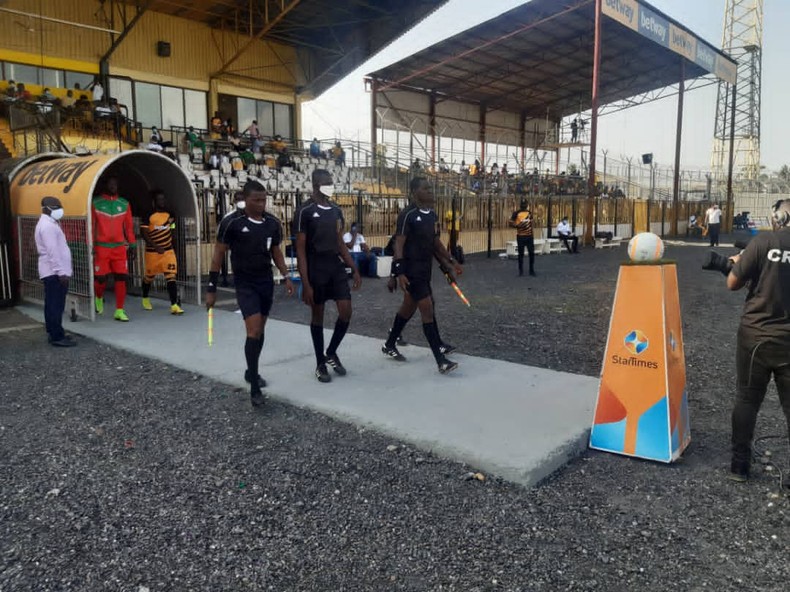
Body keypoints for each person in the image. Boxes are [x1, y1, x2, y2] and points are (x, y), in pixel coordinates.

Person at [206, 181, 294, 407]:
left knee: (260, 330)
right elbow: (218, 255)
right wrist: (211, 288)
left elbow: (276, 252)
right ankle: (255, 387)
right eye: (256, 200)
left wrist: (286, 276)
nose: (261, 204)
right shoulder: (232, 222)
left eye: (264, 200)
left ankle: (250, 370)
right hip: (245, 283)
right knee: (253, 330)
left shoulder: (273, 223)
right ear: (246, 199)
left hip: (265, 281)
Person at [726, 199, 790, 483]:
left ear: (780, 216)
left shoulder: (764, 241)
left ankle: (739, 467)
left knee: (747, 400)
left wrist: (739, 265)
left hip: (756, 335)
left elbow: (732, 283)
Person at [381, 177, 462, 374]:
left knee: (408, 308)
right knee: (427, 308)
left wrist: (449, 261)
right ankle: (440, 359)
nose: (430, 192)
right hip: (411, 271)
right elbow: (398, 245)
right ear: (416, 192)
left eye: (430, 188)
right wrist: (397, 273)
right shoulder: (407, 215)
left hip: (425, 270)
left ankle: (390, 343)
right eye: (426, 189)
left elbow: (434, 244)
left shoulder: (432, 215)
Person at [295, 169, 361, 383]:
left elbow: (340, 242)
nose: (330, 186)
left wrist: (353, 267)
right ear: (315, 184)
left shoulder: (335, 209)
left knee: (346, 311)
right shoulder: (304, 211)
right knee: (318, 315)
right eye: (326, 182)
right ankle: (319, 363)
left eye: (332, 182)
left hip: (335, 266)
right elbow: (301, 250)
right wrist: (306, 283)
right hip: (315, 266)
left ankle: (331, 351)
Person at [34, 196, 76, 347]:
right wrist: (60, 272)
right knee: (55, 304)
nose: (60, 209)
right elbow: (52, 251)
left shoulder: (50, 224)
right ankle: (57, 336)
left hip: (53, 271)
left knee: (52, 303)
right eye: (56, 206)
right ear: (46, 208)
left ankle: (55, 332)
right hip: (54, 272)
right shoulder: (48, 227)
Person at [92, 176, 134, 321]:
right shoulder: (96, 203)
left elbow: (128, 227)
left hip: (119, 248)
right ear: (105, 185)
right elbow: (91, 225)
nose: (113, 186)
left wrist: (132, 244)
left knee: (121, 277)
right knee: (101, 279)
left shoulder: (124, 204)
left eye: (115, 184)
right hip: (101, 247)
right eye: (110, 184)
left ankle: (119, 310)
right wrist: (90, 244)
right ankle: (98, 297)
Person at [140, 190, 184, 315]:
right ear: (154, 201)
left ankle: (174, 305)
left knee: (171, 276)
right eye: (159, 199)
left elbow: (173, 229)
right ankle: (145, 297)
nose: (162, 202)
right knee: (149, 277)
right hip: (153, 252)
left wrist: (174, 246)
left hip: (168, 251)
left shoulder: (170, 214)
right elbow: (144, 233)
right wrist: (155, 246)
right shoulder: (148, 214)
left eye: (163, 199)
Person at [509, 199, 536, 277]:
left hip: (529, 236)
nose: (524, 205)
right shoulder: (516, 213)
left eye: (525, 204)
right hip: (521, 236)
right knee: (521, 254)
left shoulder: (529, 213)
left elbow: (531, 223)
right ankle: (521, 271)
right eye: (523, 204)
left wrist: (532, 235)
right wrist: (516, 226)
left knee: (531, 253)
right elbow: (510, 222)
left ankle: (531, 270)